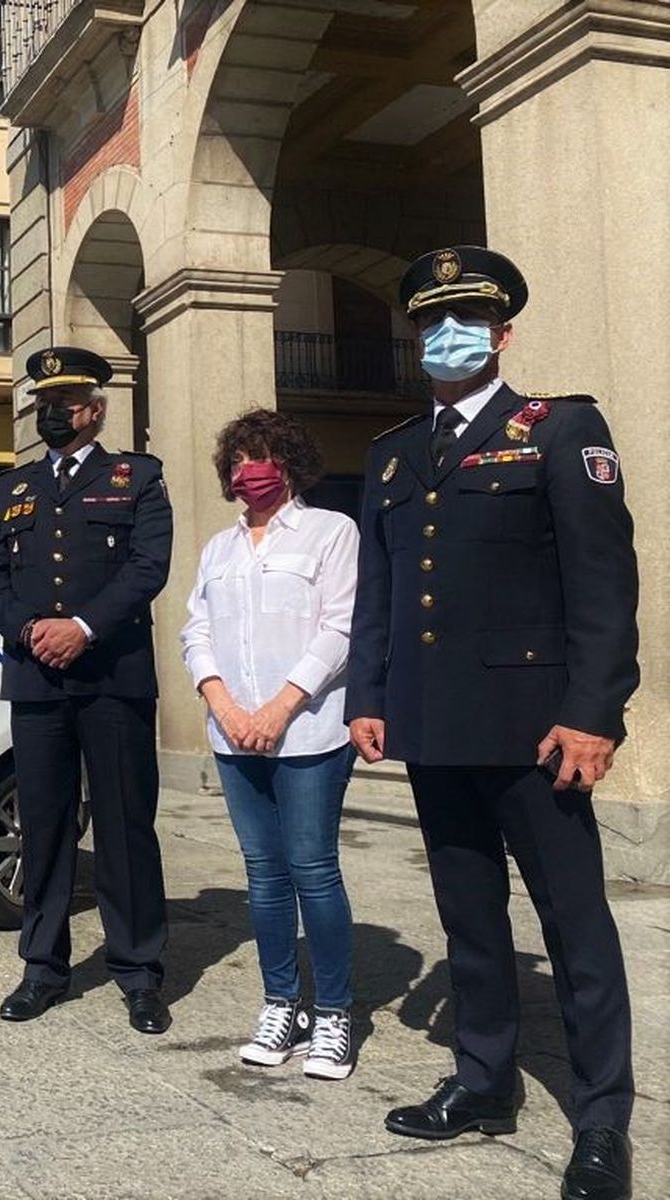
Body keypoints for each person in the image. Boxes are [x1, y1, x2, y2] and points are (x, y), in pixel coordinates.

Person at [346, 246, 639, 1200]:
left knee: (576, 927)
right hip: (435, 728)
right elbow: (379, 594)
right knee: (468, 919)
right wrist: (369, 697)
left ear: (503, 330)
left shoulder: (559, 430)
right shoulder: (392, 454)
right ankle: (483, 1082)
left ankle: (601, 1120)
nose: (447, 335)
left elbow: (604, 585)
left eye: (467, 318)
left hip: (534, 731)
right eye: (431, 322)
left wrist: (593, 714)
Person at [0, 346, 174, 1033]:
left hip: (113, 675)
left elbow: (149, 566)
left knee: (123, 823)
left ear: (96, 408)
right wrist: (29, 628)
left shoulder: (137, 478)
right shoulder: (14, 488)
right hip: (36, 679)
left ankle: (139, 970)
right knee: (44, 824)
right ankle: (43, 967)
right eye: (45, 403)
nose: (53, 413)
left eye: (67, 402)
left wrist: (83, 627)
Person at [179, 409, 360, 1080]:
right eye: (236, 460)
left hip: (309, 730)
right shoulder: (219, 550)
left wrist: (281, 707)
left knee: (313, 869)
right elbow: (195, 631)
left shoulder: (331, 532)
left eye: (260, 457)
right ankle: (281, 1002)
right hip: (234, 736)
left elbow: (340, 630)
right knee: (264, 876)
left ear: (288, 464)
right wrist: (223, 703)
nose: (246, 470)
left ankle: (335, 1012)